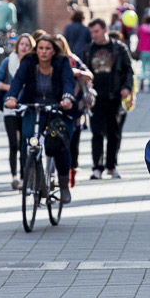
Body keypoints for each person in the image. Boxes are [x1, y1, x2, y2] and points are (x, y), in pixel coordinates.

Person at [4, 35, 77, 204]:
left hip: (56, 109)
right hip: (33, 107)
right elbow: (17, 81)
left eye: (48, 49)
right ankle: (31, 176)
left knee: (59, 143)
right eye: (41, 48)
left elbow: (68, 82)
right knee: (27, 138)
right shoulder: (29, 61)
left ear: (54, 51)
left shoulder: (62, 62)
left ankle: (64, 185)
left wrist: (67, 99)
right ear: (36, 50)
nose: (43, 52)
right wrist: (12, 98)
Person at [81, 18, 134, 180]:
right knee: (96, 132)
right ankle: (97, 167)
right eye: (91, 32)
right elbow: (83, 70)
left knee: (113, 132)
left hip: (114, 96)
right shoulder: (88, 50)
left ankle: (111, 166)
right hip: (95, 97)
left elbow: (129, 71)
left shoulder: (119, 48)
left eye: (96, 31)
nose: (94, 35)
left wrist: (127, 88)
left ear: (105, 30)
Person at [0, 33, 35, 189]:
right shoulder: (9, 61)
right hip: (10, 107)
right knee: (14, 143)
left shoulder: (33, 63)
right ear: (18, 46)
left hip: (26, 106)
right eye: (22, 44)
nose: (24, 47)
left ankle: (25, 176)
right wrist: (10, 88)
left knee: (25, 142)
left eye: (27, 45)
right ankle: (14, 176)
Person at [54, 34, 94, 189]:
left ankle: (72, 173)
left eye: (60, 46)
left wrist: (76, 72)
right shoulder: (49, 62)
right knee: (58, 142)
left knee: (73, 143)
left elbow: (89, 75)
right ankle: (59, 173)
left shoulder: (73, 60)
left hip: (76, 107)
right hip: (57, 107)